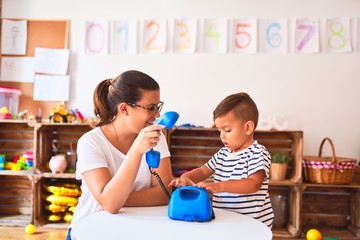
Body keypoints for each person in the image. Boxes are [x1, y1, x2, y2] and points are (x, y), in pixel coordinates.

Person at [67, 70, 173, 239]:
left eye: (158, 107)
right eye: (151, 108)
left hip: (133, 230)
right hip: (90, 232)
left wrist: (117, 198)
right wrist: (136, 151)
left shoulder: (155, 138)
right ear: (124, 108)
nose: (158, 115)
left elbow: (164, 193)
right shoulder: (91, 142)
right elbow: (110, 204)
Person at [169, 92, 274, 228]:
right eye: (219, 131)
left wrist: (220, 186)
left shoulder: (258, 152)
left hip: (252, 225)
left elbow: (254, 183)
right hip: (226, 221)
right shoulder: (222, 154)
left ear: (248, 127)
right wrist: (186, 176)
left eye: (227, 130)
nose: (222, 136)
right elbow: (202, 171)